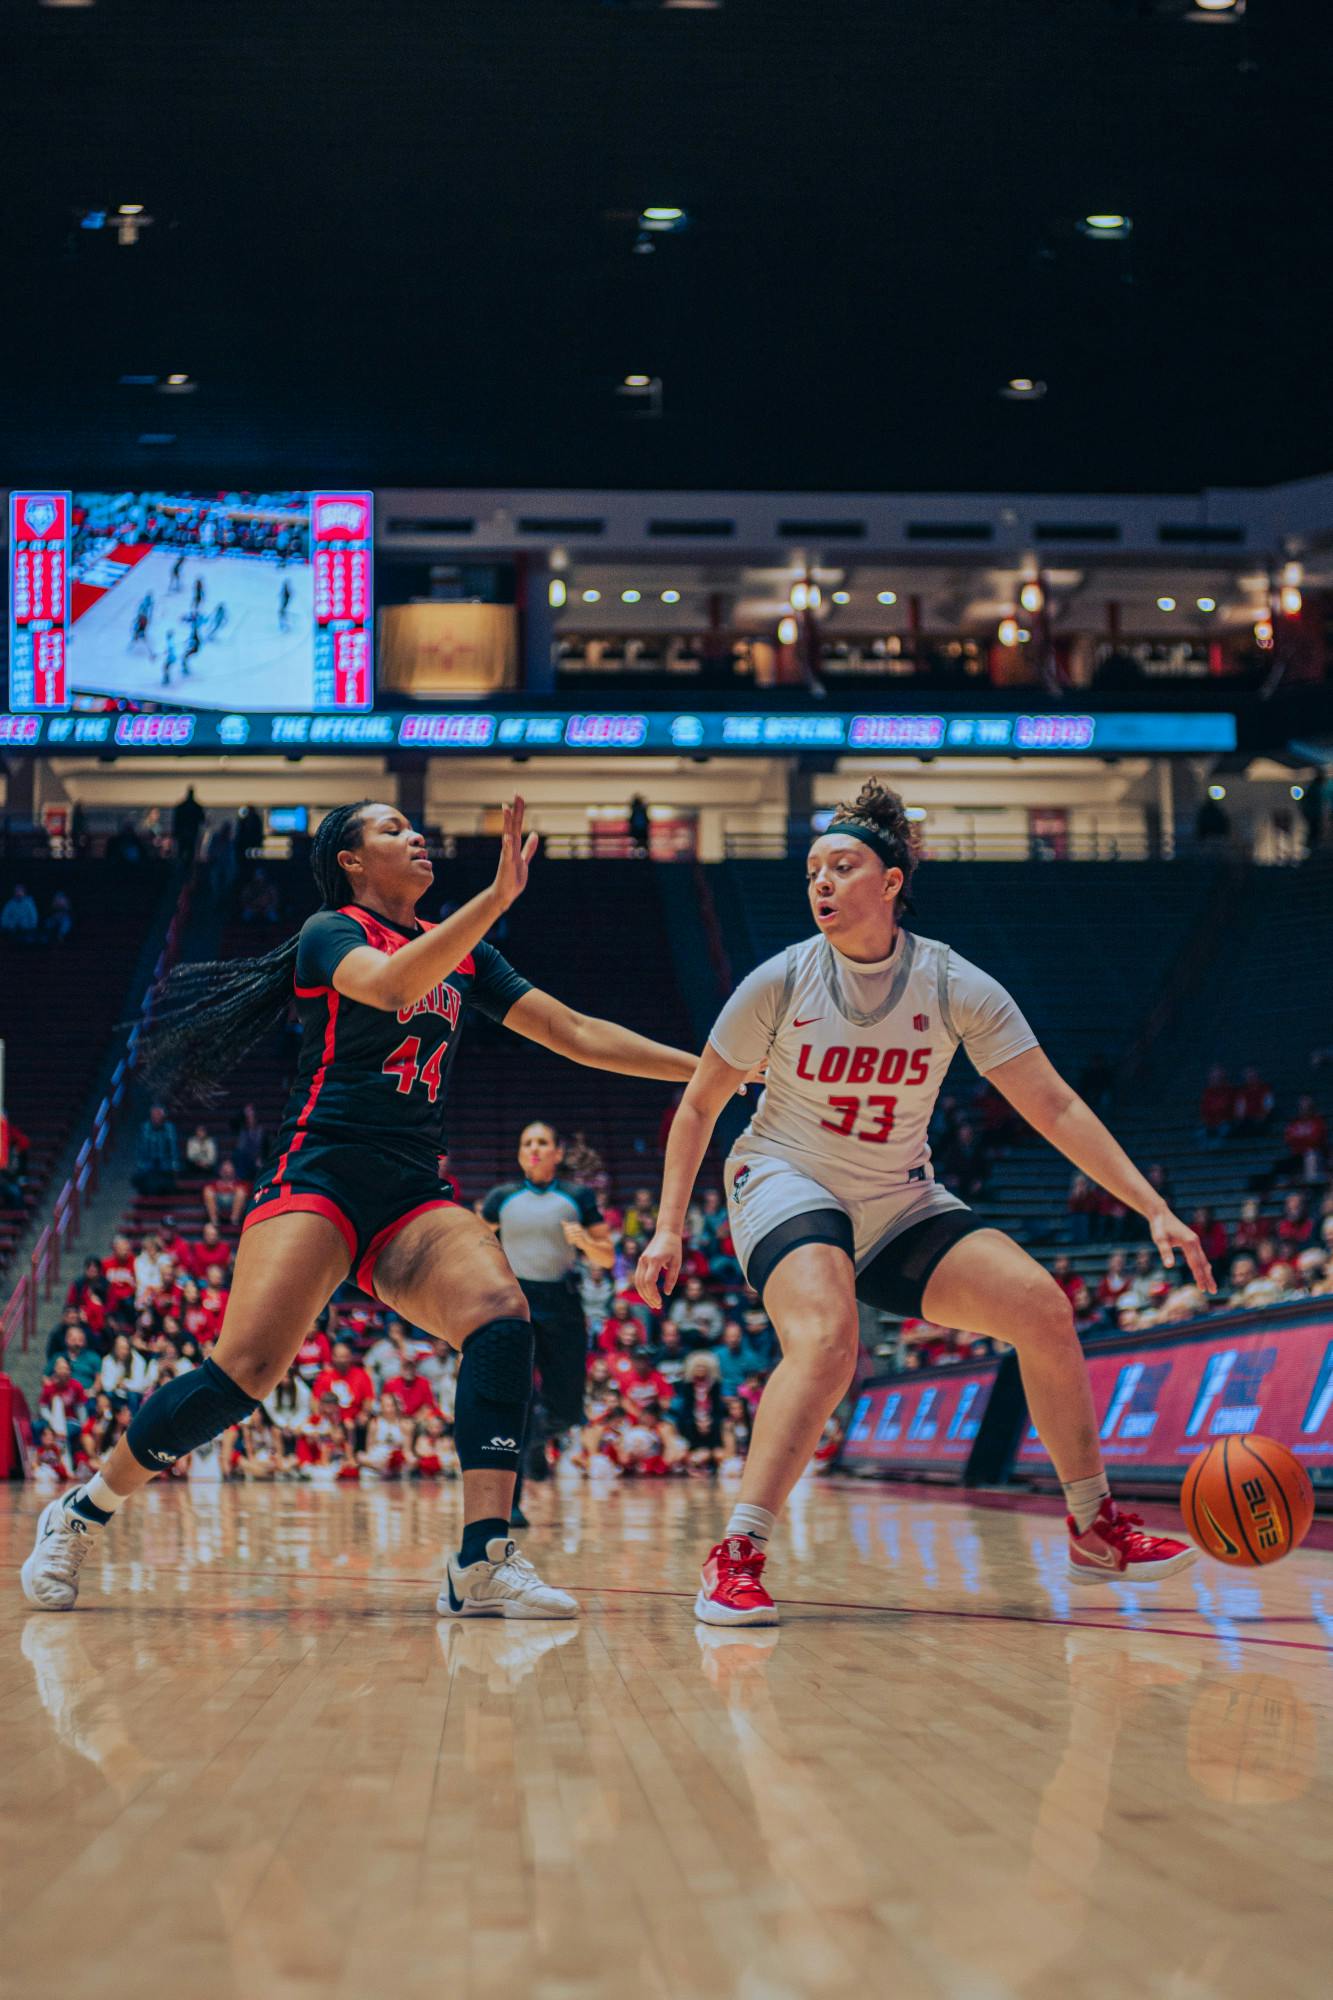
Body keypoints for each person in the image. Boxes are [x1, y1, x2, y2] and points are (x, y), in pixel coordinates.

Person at [22, 796, 725, 1621]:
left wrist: (710, 1071)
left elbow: (572, 1030)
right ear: (351, 861)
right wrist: (495, 899)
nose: (415, 835)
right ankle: (82, 1512)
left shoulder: (465, 956)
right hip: (319, 1174)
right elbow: (392, 987)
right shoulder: (331, 933)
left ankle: (482, 1557)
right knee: (244, 1374)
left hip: (410, 1192)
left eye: (412, 826)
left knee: (501, 1317)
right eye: (392, 829)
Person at [636, 776, 1210, 1627]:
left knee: (1042, 1309)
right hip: (783, 1176)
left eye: (840, 867)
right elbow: (697, 1105)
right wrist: (667, 1229)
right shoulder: (780, 980)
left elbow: (1053, 1105)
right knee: (827, 1341)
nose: (821, 883)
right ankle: (737, 1554)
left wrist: (1150, 1205)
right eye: (812, 872)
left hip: (895, 1193)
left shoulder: (951, 983)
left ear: (891, 881)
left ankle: (1094, 1527)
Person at [481, 1120, 614, 1523]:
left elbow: (607, 1256)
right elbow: (479, 1248)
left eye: (542, 1142)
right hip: (515, 1301)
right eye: (527, 1143)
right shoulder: (501, 1198)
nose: (534, 1149)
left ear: (558, 1153)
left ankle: (539, 1440)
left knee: (568, 1408)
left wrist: (584, 1242)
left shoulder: (578, 1197)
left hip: (563, 1304)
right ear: (520, 1153)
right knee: (517, 1401)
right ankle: (513, 1502)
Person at [133, 1105, 179, 1196]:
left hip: (165, 1162)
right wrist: (141, 1164)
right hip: (149, 1162)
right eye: (154, 1115)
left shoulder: (169, 1128)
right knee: (143, 1178)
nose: (156, 1118)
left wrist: (175, 1165)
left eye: (159, 1115)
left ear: (163, 1117)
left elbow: (173, 1148)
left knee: (166, 1179)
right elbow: (141, 1148)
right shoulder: (145, 1127)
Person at [172, 786, 205, 864]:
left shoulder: (181, 807)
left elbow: (176, 821)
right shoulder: (196, 807)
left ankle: (182, 866)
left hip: (184, 835)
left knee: (182, 854)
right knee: (188, 855)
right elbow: (202, 819)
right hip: (191, 835)